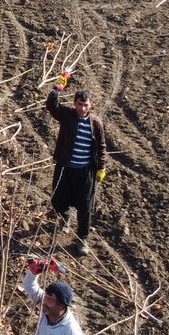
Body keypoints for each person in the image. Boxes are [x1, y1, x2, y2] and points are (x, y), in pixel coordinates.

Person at [46, 86, 110, 256]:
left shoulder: (95, 123)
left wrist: (101, 167)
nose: (83, 108)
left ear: (91, 105)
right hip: (65, 167)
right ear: (74, 104)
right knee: (58, 199)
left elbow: (102, 146)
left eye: (86, 105)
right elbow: (52, 106)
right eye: (80, 104)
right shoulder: (67, 116)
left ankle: (82, 238)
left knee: (85, 206)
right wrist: (56, 91)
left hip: (85, 172)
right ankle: (65, 216)